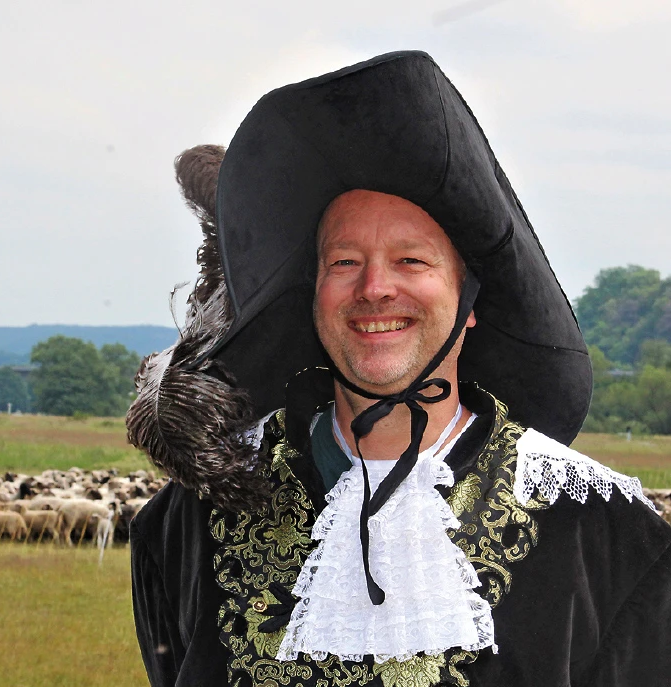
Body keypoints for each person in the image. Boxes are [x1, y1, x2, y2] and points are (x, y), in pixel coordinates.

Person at [126, 51, 671, 687]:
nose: (375, 288)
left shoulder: (605, 537)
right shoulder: (189, 526)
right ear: (313, 299)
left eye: (412, 261)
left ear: (469, 305)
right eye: (344, 262)